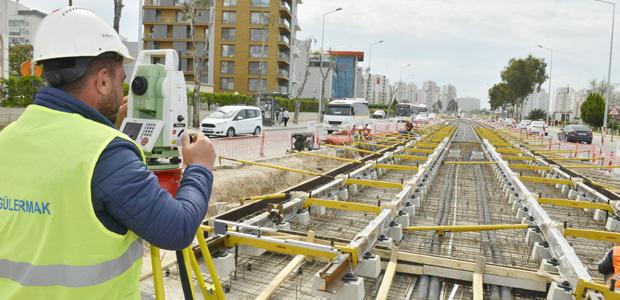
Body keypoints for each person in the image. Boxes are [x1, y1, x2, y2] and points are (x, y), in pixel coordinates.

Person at [0, 7, 216, 299]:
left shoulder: (9, 138)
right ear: (102, 81)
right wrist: (200, 168)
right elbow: (176, 229)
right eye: (118, 80)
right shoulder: (107, 154)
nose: (122, 89)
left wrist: (107, 129)